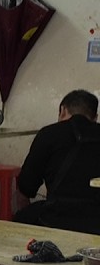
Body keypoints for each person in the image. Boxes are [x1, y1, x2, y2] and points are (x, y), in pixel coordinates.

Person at [13, 89, 100, 235]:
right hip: (96, 221)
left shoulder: (49, 134)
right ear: (95, 117)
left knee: (22, 218)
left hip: (55, 218)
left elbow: (25, 187)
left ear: (63, 110)